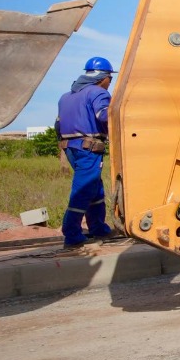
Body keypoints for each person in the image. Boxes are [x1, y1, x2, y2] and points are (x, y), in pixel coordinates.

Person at [56, 56, 116, 246]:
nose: (110, 83)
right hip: (88, 149)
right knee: (82, 191)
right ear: (103, 77)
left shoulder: (66, 97)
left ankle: (98, 228)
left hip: (71, 148)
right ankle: (72, 234)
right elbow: (105, 116)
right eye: (110, 79)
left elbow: (58, 125)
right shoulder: (98, 93)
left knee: (95, 190)